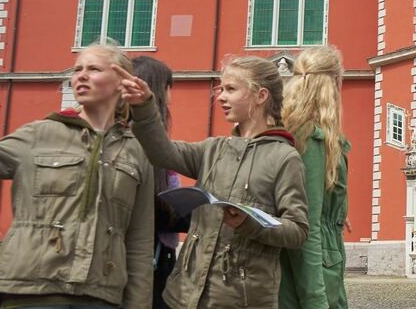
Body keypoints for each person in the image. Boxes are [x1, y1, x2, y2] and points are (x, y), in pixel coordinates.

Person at [0, 44, 153, 309]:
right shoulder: (39, 134)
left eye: (93, 69)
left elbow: (139, 242)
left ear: (122, 82)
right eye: (77, 69)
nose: (81, 76)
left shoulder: (137, 152)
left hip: (100, 296)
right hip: (31, 290)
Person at [117, 55, 310, 309]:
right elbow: (161, 152)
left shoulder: (285, 158)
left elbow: (298, 231)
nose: (220, 97)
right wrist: (144, 108)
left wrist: (250, 224)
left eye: (230, 89)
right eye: (221, 89)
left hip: (240, 300)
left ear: (260, 96)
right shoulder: (214, 148)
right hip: (183, 295)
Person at [279, 46, 352, 309]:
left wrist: (335, 211)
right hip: (318, 265)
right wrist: (316, 300)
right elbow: (307, 224)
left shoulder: (290, 131)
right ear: (332, 84)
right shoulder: (313, 138)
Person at [131, 56, 189, 309]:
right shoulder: (141, 143)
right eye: (168, 87)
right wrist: (198, 214)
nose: (171, 97)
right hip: (146, 262)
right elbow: (152, 210)